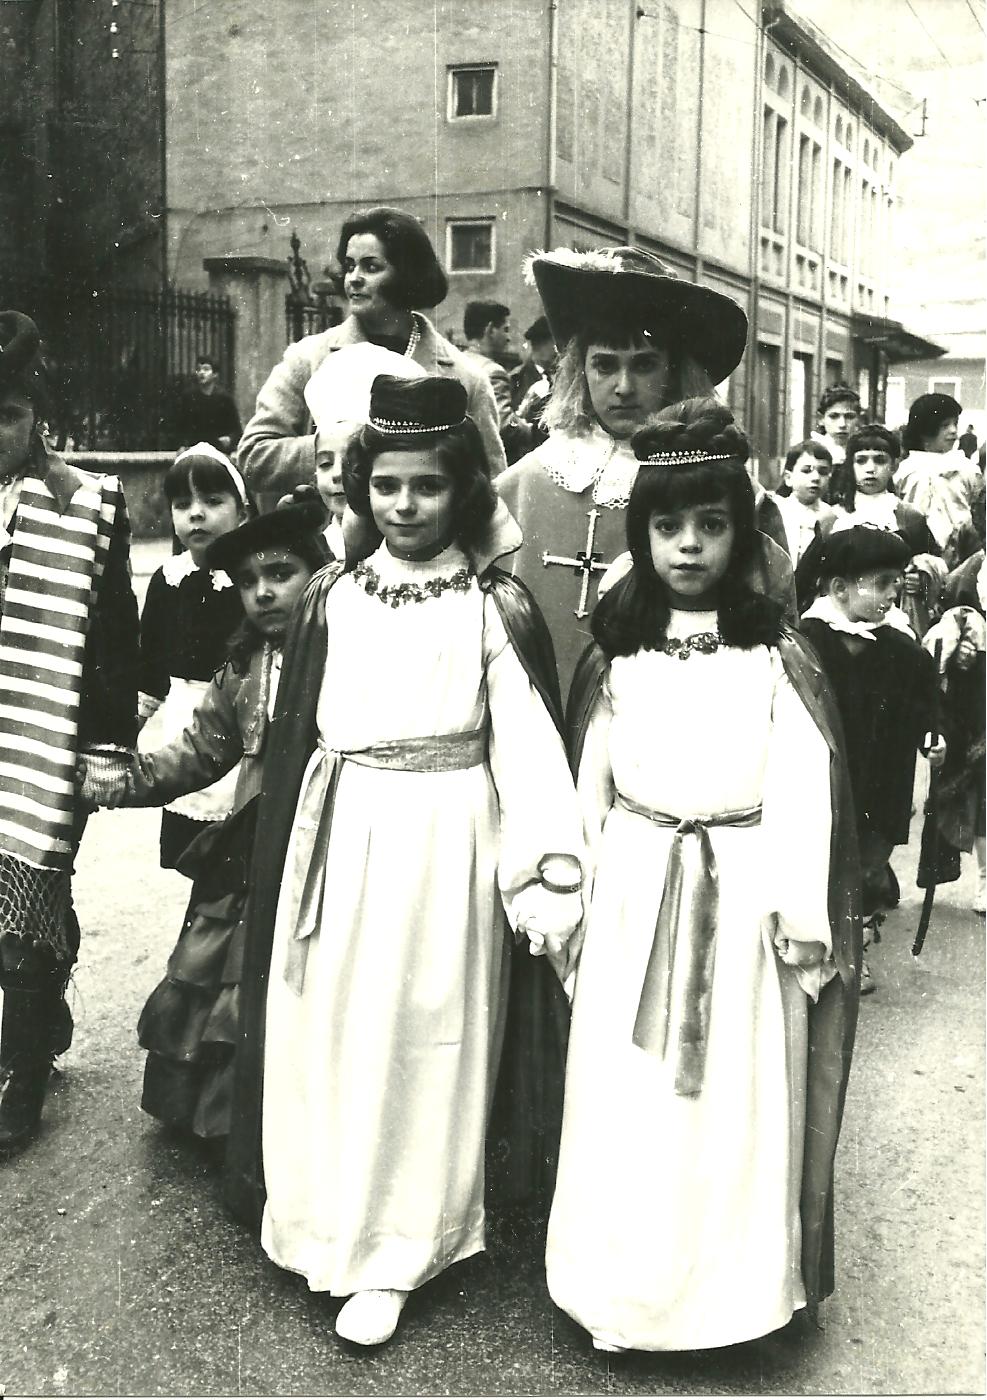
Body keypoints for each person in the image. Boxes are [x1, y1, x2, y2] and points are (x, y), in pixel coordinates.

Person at [226, 375, 585, 1348]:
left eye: (427, 485)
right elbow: (295, 731)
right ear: (361, 488)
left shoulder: (489, 604)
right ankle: (320, 1220)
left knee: (421, 1036)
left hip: (443, 843)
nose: (405, 504)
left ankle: (399, 1250)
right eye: (386, 484)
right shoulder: (332, 595)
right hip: (339, 827)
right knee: (331, 1020)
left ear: (462, 489)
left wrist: (546, 868)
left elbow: (527, 748)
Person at [544, 398, 860, 1353]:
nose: (688, 545)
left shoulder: (773, 657)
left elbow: (801, 784)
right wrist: (572, 894)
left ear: (741, 534)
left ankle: (731, 1300)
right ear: (641, 535)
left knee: (731, 1099)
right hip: (636, 886)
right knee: (629, 1093)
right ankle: (623, 1294)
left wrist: (799, 911)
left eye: (710, 525)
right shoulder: (618, 656)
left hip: (744, 890)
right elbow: (589, 785)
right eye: (668, 526)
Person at [83, 501, 327, 1140]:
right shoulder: (244, 666)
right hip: (250, 840)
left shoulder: (343, 656)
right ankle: (220, 1119)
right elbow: (201, 749)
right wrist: (129, 778)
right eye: (248, 581)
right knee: (220, 963)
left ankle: (282, 1128)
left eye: (281, 574)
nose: (263, 592)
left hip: (320, 843)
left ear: (320, 573)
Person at [495, 245, 792, 701]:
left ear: (675, 370)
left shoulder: (733, 493)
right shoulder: (520, 486)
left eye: (644, 364)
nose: (624, 387)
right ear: (579, 371)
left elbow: (774, 639)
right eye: (604, 364)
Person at [0, 310, 139, 1153]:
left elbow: (114, 631)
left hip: (42, 739)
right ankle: (42, 1011)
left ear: (36, 416)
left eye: (6, 416)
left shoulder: (86, 503)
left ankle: (18, 1078)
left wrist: (106, 745)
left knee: (30, 898)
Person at [238, 207, 506, 497]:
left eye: (371, 267)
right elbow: (254, 457)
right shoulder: (308, 358)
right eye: (349, 266)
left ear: (407, 275)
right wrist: (331, 447)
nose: (353, 278)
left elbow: (493, 486)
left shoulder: (467, 378)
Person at [801, 527, 944, 994]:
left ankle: (854, 949)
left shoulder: (902, 648)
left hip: (882, 783)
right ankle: (815, 944)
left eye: (896, 582)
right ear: (840, 588)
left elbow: (926, 708)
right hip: (823, 780)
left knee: (866, 867)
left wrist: (934, 737)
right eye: (880, 584)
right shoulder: (806, 642)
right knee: (819, 862)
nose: (892, 594)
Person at [138, 443, 252, 869]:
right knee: (196, 857)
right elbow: (149, 671)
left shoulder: (253, 580)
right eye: (183, 504)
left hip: (239, 729)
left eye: (213, 501)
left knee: (240, 854)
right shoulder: (169, 580)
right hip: (185, 728)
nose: (196, 514)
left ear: (242, 512)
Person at [811, 422, 943, 636]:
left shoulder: (908, 518)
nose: (870, 468)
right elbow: (811, 576)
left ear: (894, 465)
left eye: (880, 460)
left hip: (892, 618)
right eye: (861, 460)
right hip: (838, 620)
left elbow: (934, 566)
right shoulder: (833, 519)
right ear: (850, 465)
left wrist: (921, 580)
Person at [894, 393, 983, 552]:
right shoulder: (905, 470)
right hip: (914, 550)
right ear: (925, 430)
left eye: (955, 423)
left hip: (963, 549)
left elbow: (979, 509)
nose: (953, 431)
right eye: (945, 425)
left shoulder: (967, 469)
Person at [772, 439, 837, 565]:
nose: (816, 478)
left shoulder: (831, 516)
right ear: (788, 478)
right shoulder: (776, 510)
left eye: (823, 472)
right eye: (806, 471)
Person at [169, 356, 242, 455]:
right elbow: (179, 426)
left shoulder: (224, 398)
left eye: (206, 369)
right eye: (198, 369)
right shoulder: (188, 397)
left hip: (218, 450)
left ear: (215, 374)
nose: (201, 372)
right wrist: (181, 445)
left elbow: (237, 430)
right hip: (193, 449)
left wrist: (229, 439)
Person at [811, 382, 861, 470]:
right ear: (821, 419)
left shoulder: (865, 453)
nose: (842, 424)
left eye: (849, 417)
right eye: (833, 416)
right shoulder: (809, 452)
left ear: (858, 419)